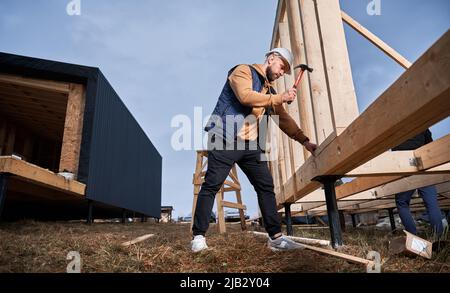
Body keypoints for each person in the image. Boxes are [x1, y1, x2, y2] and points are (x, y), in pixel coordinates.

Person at [191, 48, 317, 252]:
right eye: (281, 67)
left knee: (265, 185)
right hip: (225, 136)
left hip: (250, 145)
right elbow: (245, 97)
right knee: (212, 184)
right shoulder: (242, 71)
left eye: (285, 71)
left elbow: (283, 120)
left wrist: (304, 141)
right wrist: (279, 98)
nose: (281, 73)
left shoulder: (270, 93)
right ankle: (198, 237)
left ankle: (276, 239)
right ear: (271, 58)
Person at [392, 129, 444, 237]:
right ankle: (439, 238)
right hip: (423, 164)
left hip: (404, 165)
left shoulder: (396, 126)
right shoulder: (422, 124)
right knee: (432, 203)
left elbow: (393, 149)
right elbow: (430, 146)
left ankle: (413, 237)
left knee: (402, 203)